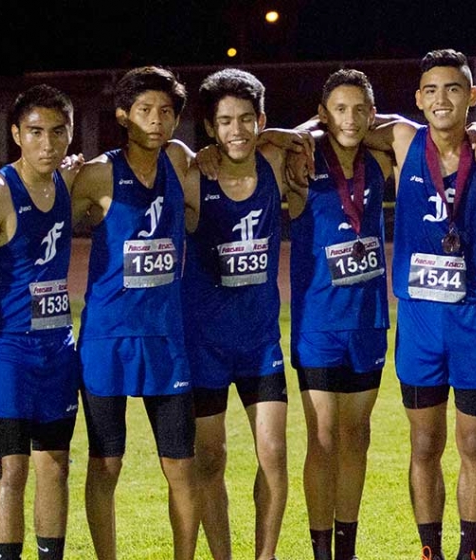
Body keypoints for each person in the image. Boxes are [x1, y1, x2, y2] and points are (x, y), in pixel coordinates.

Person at [366, 48, 476, 560]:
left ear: (472, 96)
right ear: (418, 98)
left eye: (453, 89)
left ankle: (469, 552)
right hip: (419, 319)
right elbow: (336, 116)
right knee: (423, 446)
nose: (442, 99)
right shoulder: (401, 139)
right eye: (431, 90)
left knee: (474, 446)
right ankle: (429, 549)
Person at [71, 66, 199, 560]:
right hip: (108, 340)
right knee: (105, 465)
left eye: (166, 111)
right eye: (145, 110)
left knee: (181, 468)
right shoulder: (99, 173)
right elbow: (48, 212)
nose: (156, 120)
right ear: (123, 115)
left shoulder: (181, 164)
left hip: (166, 343)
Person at [0, 85, 79, 560]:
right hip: (8, 354)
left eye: (57, 132)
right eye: (35, 132)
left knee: (56, 465)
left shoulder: (69, 182)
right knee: (11, 469)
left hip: (58, 354)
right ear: (16, 134)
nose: (47, 143)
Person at [182, 68, 295, 560]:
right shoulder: (193, 176)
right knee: (210, 459)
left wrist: (285, 133)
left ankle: (264, 556)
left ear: (261, 120)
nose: (236, 130)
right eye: (225, 121)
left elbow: (328, 126)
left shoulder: (274, 160)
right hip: (203, 343)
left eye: (246, 119)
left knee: (273, 454)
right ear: (209, 127)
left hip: (259, 342)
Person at [289, 69, 393, 560]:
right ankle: (321, 549)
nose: (349, 119)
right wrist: (308, 129)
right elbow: (265, 143)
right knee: (323, 437)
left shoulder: (380, 160)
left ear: (371, 114)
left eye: (359, 109)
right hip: (318, 323)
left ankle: (347, 548)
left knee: (356, 437)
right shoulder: (301, 162)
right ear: (323, 113)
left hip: (369, 322)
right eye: (338, 109)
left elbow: (408, 130)